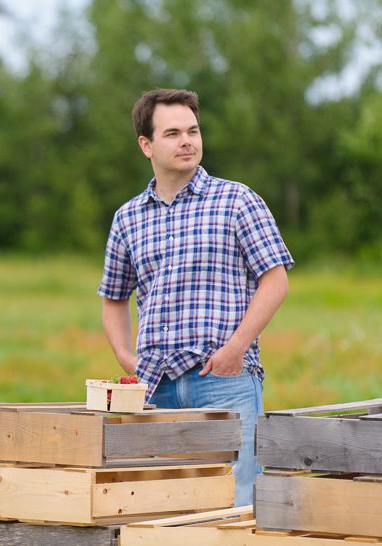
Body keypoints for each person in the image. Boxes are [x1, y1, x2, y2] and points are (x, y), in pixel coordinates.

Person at [98, 89, 293, 506]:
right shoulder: (128, 217)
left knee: (238, 504)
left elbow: (275, 281)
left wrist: (235, 349)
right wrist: (123, 356)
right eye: (172, 133)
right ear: (146, 145)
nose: (187, 140)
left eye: (193, 130)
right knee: (164, 504)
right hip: (155, 389)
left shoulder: (237, 200)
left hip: (225, 382)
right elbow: (113, 296)